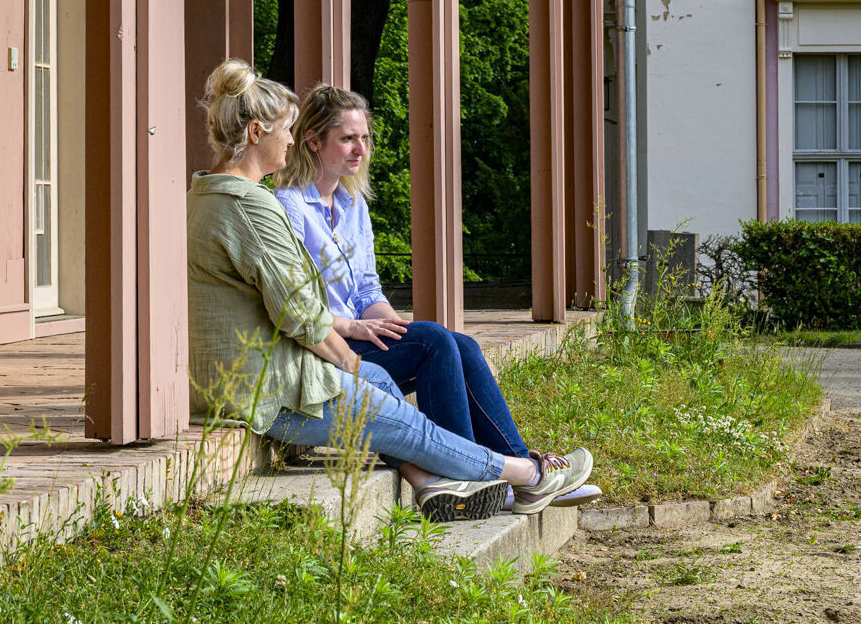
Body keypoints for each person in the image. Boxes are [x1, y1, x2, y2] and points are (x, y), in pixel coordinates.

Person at [188, 59, 591, 523]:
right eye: (286, 129)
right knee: (413, 416)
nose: (292, 140)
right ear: (257, 132)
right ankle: (526, 474)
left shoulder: (208, 195)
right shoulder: (255, 206)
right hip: (275, 387)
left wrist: (384, 335)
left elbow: (354, 291)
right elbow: (301, 313)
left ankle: (436, 481)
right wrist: (351, 360)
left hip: (263, 375)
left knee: (420, 367)